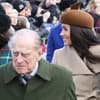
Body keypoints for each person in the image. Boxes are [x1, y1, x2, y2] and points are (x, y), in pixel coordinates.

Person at [0, 28, 76, 100]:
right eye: (15, 54)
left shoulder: (62, 78)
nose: (19, 60)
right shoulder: (2, 75)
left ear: (39, 54)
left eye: (25, 55)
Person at [52, 2, 100, 100]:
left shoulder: (98, 52)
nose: (61, 34)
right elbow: (53, 88)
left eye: (65, 29)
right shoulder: (59, 55)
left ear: (77, 31)